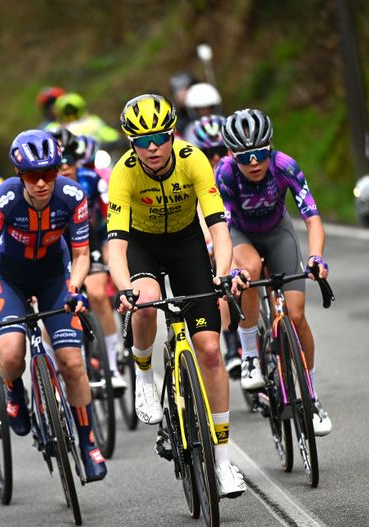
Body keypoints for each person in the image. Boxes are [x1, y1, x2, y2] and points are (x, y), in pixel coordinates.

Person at [107, 93, 247, 497]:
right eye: (141, 140)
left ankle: (222, 464)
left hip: (187, 244)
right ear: (131, 142)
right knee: (147, 303)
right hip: (143, 245)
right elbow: (116, 245)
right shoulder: (124, 173)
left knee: (209, 349)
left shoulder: (193, 158)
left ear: (171, 134)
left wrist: (221, 275)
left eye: (159, 138)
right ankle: (144, 376)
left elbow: (219, 228)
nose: (151, 148)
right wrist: (125, 289)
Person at [0, 129, 107, 482]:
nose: (43, 183)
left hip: (53, 277)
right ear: (20, 175)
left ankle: (87, 442)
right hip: (10, 277)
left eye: (50, 173)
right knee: (12, 354)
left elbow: (80, 255)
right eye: (33, 176)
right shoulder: (3, 200)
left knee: (72, 363)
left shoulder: (72, 195)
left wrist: (75, 289)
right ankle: (15, 392)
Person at [216, 108, 332, 436]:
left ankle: (311, 397)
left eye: (259, 154)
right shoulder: (224, 174)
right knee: (249, 269)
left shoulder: (284, 166)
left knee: (295, 316)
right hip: (240, 234)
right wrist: (227, 269)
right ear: (231, 156)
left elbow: (311, 217)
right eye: (244, 157)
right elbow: (220, 227)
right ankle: (250, 353)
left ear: (270, 148)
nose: (253, 162)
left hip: (278, 232)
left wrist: (316, 258)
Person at [50, 127, 125, 392]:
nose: (66, 167)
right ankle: (59, 368)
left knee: (97, 294)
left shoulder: (92, 179)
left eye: (71, 159)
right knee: (58, 305)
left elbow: (111, 214)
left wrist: (111, 246)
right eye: (60, 162)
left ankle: (113, 365)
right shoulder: (45, 188)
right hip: (56, 247)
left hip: (89, 240)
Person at [186, 116, 242, 379]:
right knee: (221, 277)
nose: (216, 158)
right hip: (211, 235)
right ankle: (232, 347)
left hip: (242, 234)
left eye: (221, 151)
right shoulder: (194, 176)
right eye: (208, 153)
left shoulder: (234, 172)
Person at [52, 92, 122, 148]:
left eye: (74, 111)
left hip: (96, 155)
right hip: (71, 160)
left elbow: (107, 133)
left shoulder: (93, 122)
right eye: (67, 113)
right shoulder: (57, 128)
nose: (71, 115)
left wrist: (116, 140)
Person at [168, 71, 199, 137]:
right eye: (176, 90)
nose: (179, 94)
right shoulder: (176, 120)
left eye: (184, 88)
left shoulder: (206, 110)